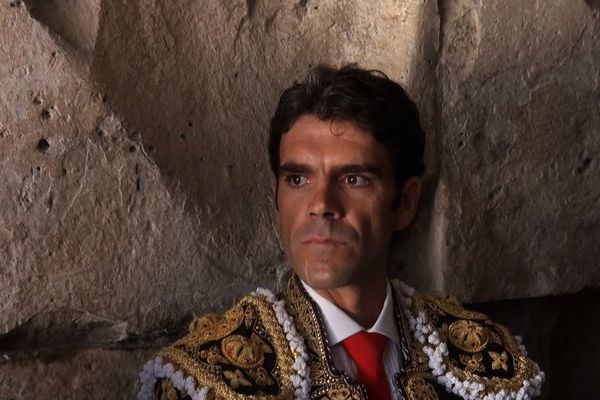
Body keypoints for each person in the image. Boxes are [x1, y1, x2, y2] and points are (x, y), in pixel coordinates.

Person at [137, 65, 544, 400]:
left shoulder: (487, 359)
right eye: (298, 179)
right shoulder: (205, 381)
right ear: (276, 197)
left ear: (404, 202)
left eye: (354, 179)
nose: (321, 204)